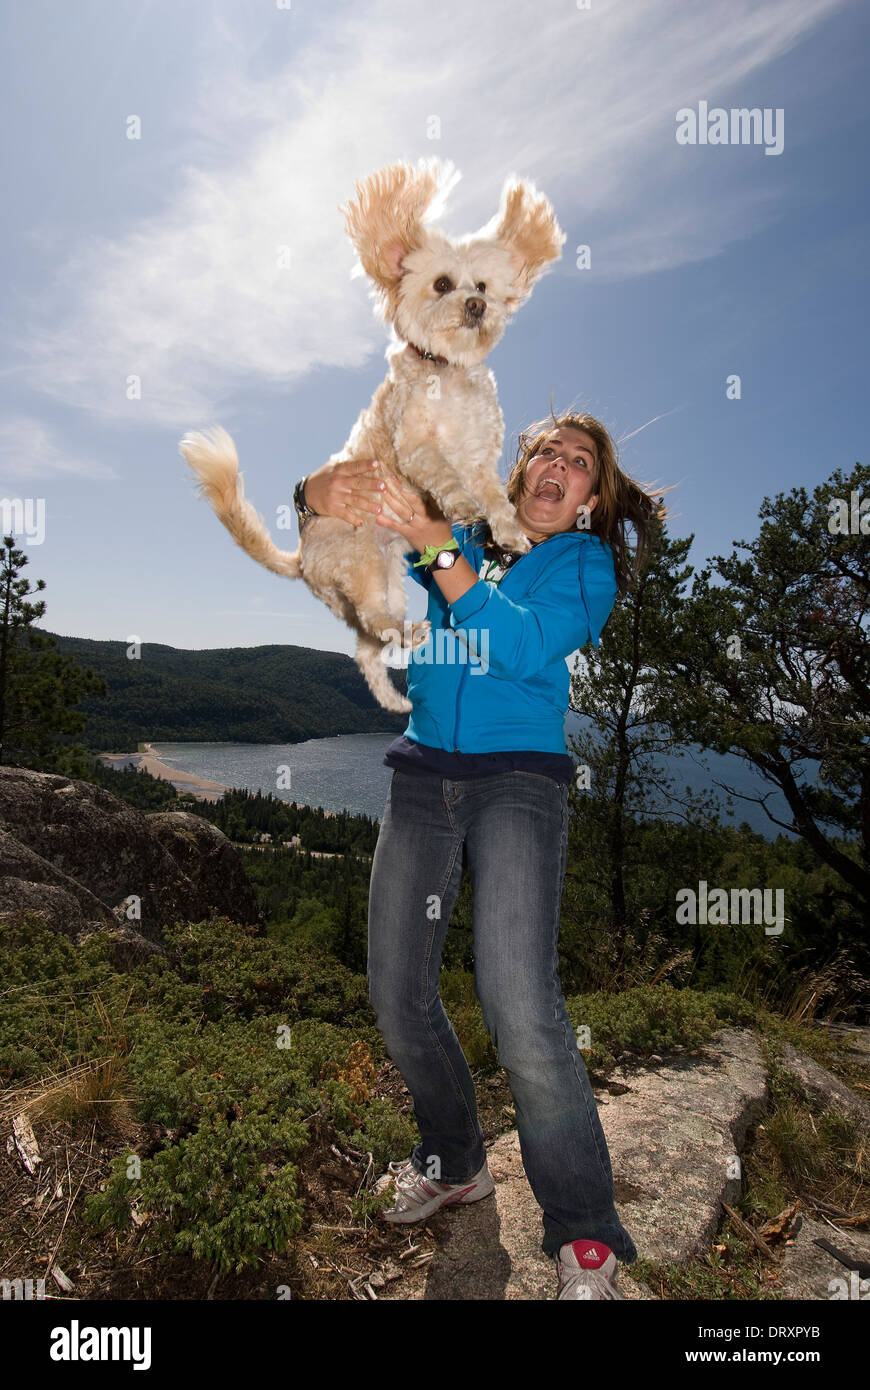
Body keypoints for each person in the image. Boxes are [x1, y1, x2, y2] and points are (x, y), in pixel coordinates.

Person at [299, 412, 666, 1300]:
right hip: (423, 772)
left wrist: (437, 550)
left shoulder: (585, 568)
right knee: (395, 988)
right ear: (522, 466)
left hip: (519, 781)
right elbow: (362, 516)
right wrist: (314, 494)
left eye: (581, 464)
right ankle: (456, 1160)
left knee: (517, 996)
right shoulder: (465, 528)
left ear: (592, 498)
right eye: (548, 451)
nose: (560, 467)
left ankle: (584, 1232)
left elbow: (517, 644)